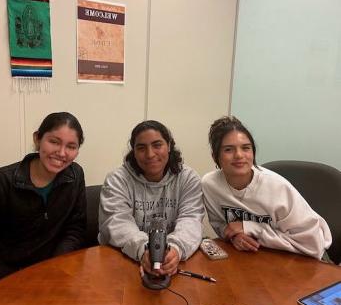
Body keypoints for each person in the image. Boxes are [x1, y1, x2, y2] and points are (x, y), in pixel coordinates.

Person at [0, 112, 87, 290]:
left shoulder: (75, 175)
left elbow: (75, 228)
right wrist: (22, 282)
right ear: (38, 139)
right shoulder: (1, 181)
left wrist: (54, 267)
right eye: (54, 142)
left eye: (71, 146)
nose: (61, 153)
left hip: (48, 276)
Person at [202, 116, 332, 260]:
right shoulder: (210, 185)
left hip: (310, 258)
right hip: (260, 256)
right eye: (228, 149)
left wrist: (251, 228)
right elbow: (222, 226)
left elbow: (312, 245)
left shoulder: (277, 187)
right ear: (215, 157)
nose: (239, 155)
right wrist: (235, 237)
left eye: (246, 148)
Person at [98, 120, 204, 276]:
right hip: (123, 260)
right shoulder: (117, 180)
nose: (150, 154)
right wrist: (143, 250)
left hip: (171, 261)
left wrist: (175, 249)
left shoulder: (188, 178)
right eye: (141, 148)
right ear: (133, 151)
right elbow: (117, 222)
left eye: (157, 145)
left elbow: (191, 219)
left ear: (169, 145)